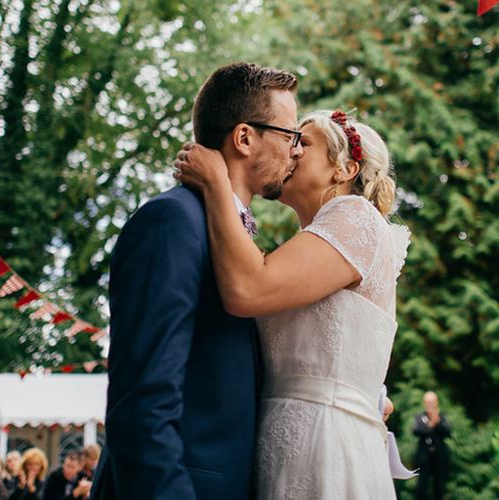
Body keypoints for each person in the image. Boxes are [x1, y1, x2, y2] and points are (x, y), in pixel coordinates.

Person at [89, 62, 302, 500]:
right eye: (290, 135)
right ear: (245, 138)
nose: (297, 150)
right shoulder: (172, 221)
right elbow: (142, 405)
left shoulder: (233, 243)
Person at [173, 107, 409, 498]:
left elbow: (248, 289)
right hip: (280, 444)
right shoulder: (313, 241)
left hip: (325, 445)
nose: (292, 151)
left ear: (344, 169)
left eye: (304, 142)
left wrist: (218, 183)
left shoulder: (355, 217)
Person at [413, 391, 451, 500]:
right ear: (424, 403)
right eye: (428, 402)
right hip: (424, 457)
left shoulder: (441, 418)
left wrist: (437, 423)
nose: (430, 405)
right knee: (422, 485)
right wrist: (431, 426)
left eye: (432, 402)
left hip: (439, 456)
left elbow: (447, 432)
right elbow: (416, 430)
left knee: (439, 485)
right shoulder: (420, 417)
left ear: (436, 403)